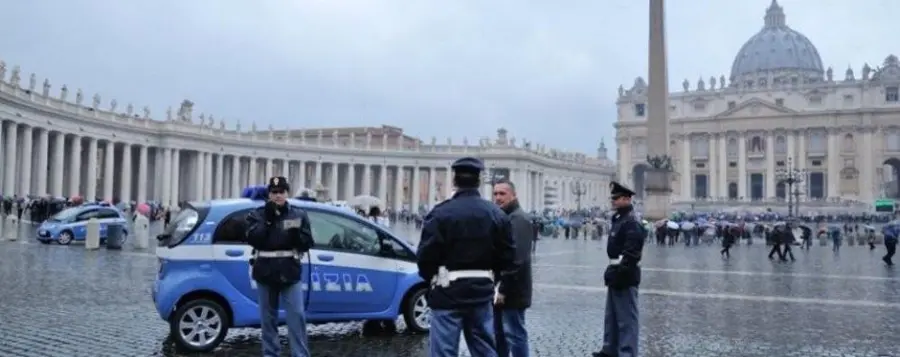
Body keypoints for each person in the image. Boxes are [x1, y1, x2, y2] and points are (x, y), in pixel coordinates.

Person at [417, 157, 517, 357]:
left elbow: (425, 258)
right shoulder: (496, 214)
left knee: (444, 352)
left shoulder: (440, 213)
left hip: (447, 293)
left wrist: (434, 279)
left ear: (454, 180)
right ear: (479, 180)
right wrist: (491, 278)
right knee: (485, 350)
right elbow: (508, 257)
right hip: (481, 293)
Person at [245, 176, 316, 357]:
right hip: (265, 271)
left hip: (289, 271)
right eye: (274, 192)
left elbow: (308, 243)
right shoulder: (258, 214)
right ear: (269, 194)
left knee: (297, 317)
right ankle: (270, 354)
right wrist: (268, 221)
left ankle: (300, 354)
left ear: (287, 193)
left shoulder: (298, 214)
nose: (278, 196)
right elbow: (252, 239)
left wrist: (297, 236)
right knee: (268, 320)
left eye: (281, 192)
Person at [593, 181, 644, 357]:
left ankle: (627, 352)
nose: (613, 201)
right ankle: (610, 349)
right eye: (613, 198)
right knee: (612, 316)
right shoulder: (619, 219)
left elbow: (632, 252)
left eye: (616, 198)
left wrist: (621, 271)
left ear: (627, 199)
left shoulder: (631, 221)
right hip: (615, 271)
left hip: (625, 275)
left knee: (626, 319)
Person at [491, 179, 534, 357]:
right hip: (502, 287)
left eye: (502, 193)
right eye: (495, 194)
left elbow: (517, 259)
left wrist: (503, 289)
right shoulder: (506, 217)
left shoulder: (519, 219)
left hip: (513, 289)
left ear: (513, 195)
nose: (498, 197)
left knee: (515, 334)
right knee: (500, 334)